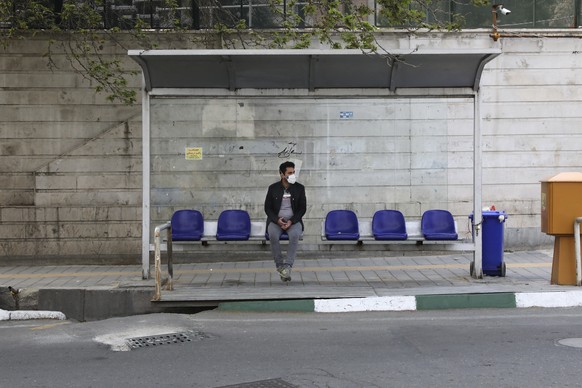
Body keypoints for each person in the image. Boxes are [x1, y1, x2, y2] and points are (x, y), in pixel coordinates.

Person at [264, 161, 307, 282]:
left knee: (294, 235)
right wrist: (277, 220)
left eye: (293, 172)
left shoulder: (299, 188)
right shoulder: (273, 188)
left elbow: (302, 208)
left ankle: (287, 267)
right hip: (276, 221)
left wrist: (292, 221)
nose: (292, 175)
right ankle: (280, 266)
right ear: (282, 174)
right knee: (272, 235)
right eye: (289, 173)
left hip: (293, 221)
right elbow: (268, 208)